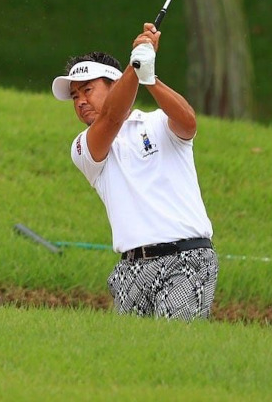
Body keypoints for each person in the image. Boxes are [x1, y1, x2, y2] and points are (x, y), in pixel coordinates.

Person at [51, 23, 219, 320]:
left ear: (116, 85)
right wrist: (136, 62)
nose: (80, 102)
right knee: (133, 357)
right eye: (75, 97)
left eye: (87, 90)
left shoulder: (156, 123)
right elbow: (112, 117)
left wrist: (148, 76)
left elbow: (188, 122)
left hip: (187, 259)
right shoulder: (84, 148)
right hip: (131, 269)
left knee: (173, 347)